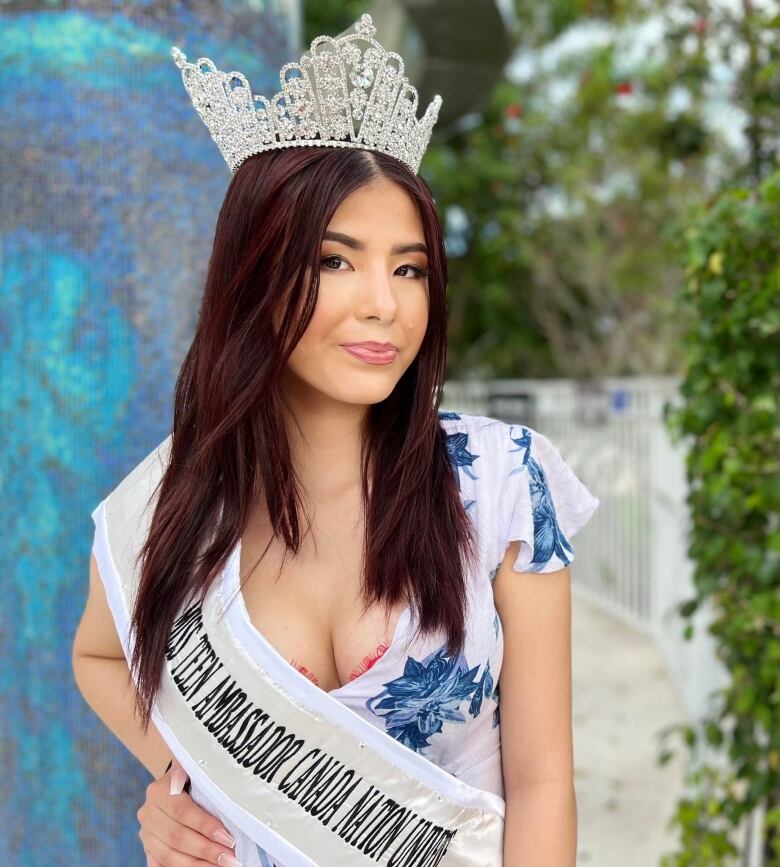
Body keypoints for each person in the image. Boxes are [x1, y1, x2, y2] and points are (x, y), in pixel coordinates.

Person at [71, 13, 600, 867]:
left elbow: (542, 782)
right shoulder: (167, 501)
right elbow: (97, 653)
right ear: (253, 275)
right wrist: (185, 782)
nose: (384, 304)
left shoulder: (503, 482)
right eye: (333, 261)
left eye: (409, 267)